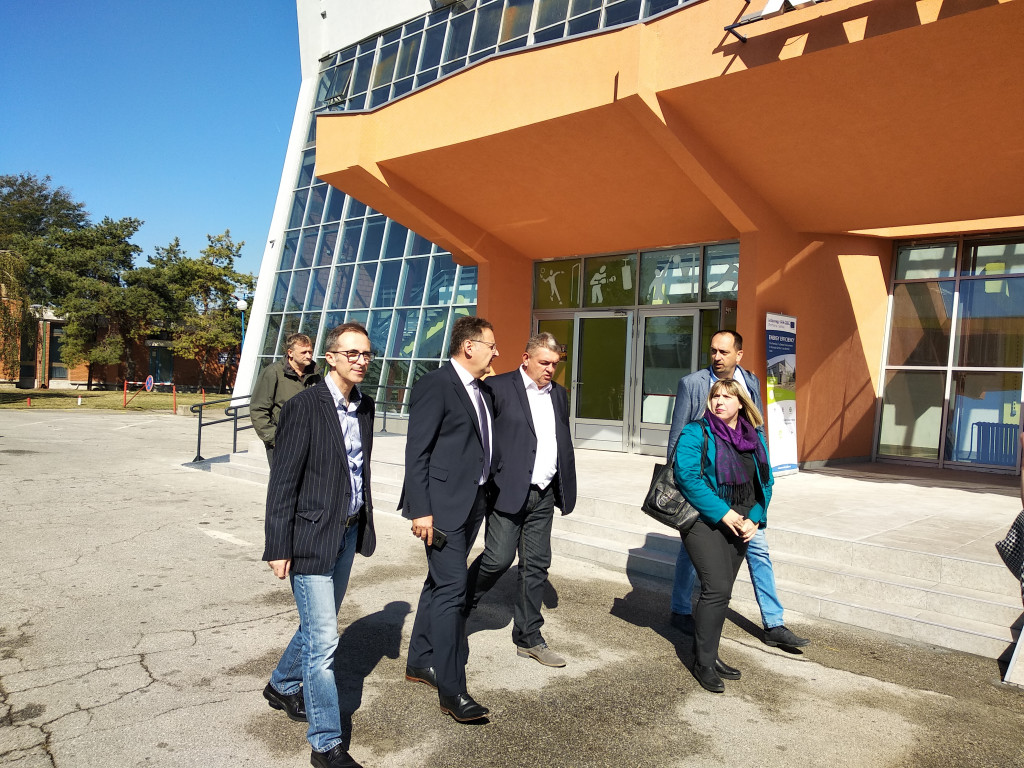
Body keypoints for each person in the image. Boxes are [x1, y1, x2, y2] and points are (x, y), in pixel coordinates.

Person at [262, 323, 376, 768]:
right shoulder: (304, 406)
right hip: (309, 537)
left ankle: (281, 685)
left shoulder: (364, 406)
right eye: (352, 354)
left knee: (316, 626)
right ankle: (326, 743)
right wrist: (278, 544)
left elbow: (356, 470)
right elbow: (283, 481)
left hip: (347, 532)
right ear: (331, 357)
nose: (361, 361)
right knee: (324, 642)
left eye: (366, 354)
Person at [666, 330, 808, 649]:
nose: (716, 357)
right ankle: (680, 609)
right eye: (713, 351)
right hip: (705, 489)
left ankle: (773, 623)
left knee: (759, 549)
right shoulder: (693, 383)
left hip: (743, 490)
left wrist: (764, 470)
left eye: (724, 352)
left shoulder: (751, 381)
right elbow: (678, 435)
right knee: (689, 552)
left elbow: (757, 428)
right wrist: (678, 483)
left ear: (738, 355)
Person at [402, 316, 499, 723]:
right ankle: (452, 689)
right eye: (491, 345)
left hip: (472, 501)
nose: (496, 352)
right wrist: (420, 509)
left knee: (438, 582)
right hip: (441, 508)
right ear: (469, 346)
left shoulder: (480, 389)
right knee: (453, 591)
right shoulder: (436, 384)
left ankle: (419, 660)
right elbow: (417, 452)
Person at [465, 333, 577, 667]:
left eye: (554, 364)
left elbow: (559, 438)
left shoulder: (559, 394)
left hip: (544, 493)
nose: (550, 370)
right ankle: (457, 607)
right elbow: (480, 436)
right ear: (525, 358)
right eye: (544, 362)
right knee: (498, 559)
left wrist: (563, 482)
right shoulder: (497, 388)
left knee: (537, 564)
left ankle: (529, 637)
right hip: (507, 490)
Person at [674, 378, 773, 693]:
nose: (719, 401)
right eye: (715, 396)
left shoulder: (754, 437)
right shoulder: (696, 432)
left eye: (728, 397)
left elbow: (766, 482)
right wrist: (723, 513)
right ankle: (703, 663)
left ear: (741, 403)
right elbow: (687, 477)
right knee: (716, 589)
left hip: (741, 523)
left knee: (722, 592)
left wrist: (755, 518)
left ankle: (708, 653)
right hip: (705, 520)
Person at [250, 332, 320, 467]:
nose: (308, 355)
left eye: (310, 352)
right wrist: (273, 438)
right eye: (304, 352)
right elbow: (258, 409)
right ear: (290, 353)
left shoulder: (316, 373)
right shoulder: (273, 372)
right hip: (282, 441)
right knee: (282, 479)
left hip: (309, 441)